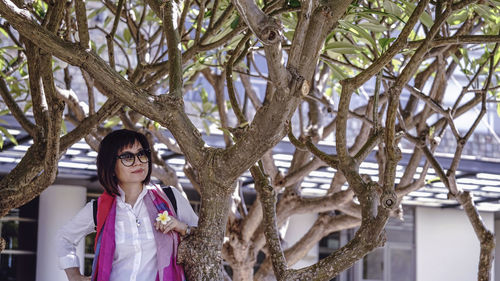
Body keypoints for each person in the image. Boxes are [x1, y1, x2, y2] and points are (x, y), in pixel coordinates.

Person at [56, 129, 198, 281]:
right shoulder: (98, 209)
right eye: (127, 157)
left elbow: (205, 238)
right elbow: (64, 238)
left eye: (141, 154)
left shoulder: (171, 198)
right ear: (111, 166)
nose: (137, 161)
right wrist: (74, 275)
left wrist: (182, 227)